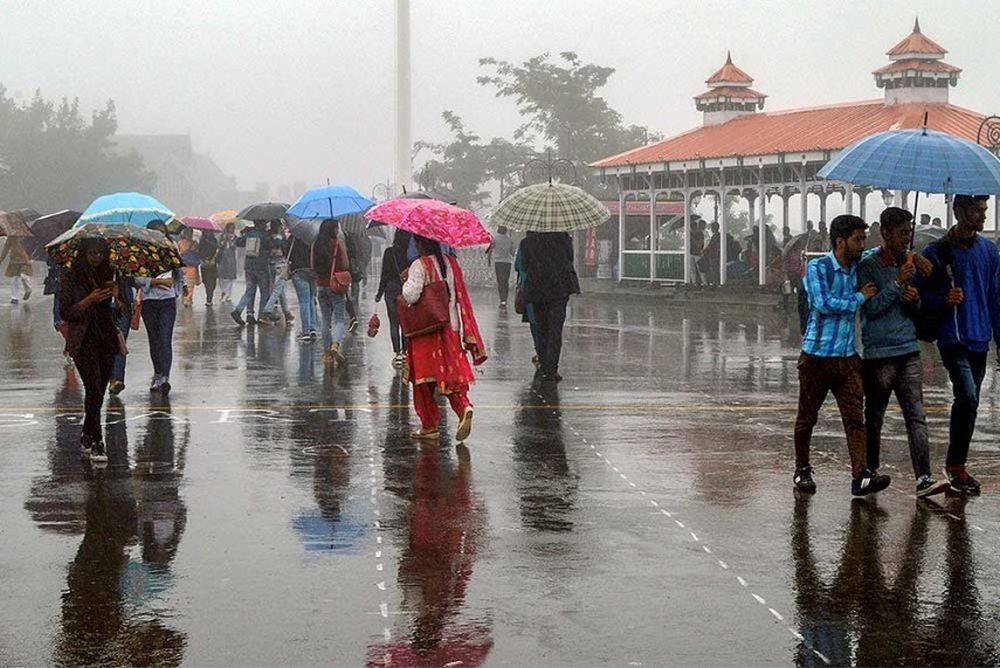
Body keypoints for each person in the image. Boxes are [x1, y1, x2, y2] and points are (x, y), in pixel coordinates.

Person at [792, 214, 890, 497]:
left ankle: (860, 475)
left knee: (854, 418)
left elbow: (876, 252)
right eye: (857, 239)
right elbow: (823, 304)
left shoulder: (859, 265)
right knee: (807, 417)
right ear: (840, 241)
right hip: (816, 356)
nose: (862, 245)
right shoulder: (817, 268)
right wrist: (860, 297)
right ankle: (802, 470)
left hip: (847, 358)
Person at [858, 207, 948, 497]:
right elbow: (870, 308)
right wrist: (897, 283)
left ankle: (924, 477)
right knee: (874, 418)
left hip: (908, 350)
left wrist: (914, 298)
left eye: (909, 232)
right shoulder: (869, 265)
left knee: (916, 416)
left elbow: (914, 308)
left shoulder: (910, 263)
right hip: (879, 353)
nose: (906, 238)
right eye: (902, 233)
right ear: (885, 233)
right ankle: (869, 472)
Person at [920, 194, 1000, 495]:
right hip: (953, 337)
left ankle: (957, 466)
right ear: (958, 211)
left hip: (980, 339)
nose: (982, 215)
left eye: (984, 210)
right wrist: (943, 299)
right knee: (966, 395)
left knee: (972, 402)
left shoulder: (990, 252)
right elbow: (920, 296)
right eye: (977, 210)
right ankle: (955, 464)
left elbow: (996, 298)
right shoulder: (936, 251)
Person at [401, 234, 486, 441]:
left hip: (427, 330)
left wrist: (405, 282)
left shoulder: (419, 265)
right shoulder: (451, 263)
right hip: (451, 327)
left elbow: (411, 296)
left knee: (422, 379)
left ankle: (429, 426)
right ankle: (463, 406)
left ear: (419, 244)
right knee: (449, 375)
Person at [59, 239, 121, 463]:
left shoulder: (109, 274)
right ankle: (97, 440)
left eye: (100, 253)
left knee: (99, 390)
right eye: (92, 253)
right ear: (83, 254)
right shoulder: (70, 276)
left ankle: (86, 432)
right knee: (93, 385)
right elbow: (66, 311)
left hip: (106, 338)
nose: (96, 257)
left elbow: (120, 312)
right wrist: (89, 300)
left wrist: (117, 297)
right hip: (83, 340)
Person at [519, 231, 580, 382]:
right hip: (559, 288)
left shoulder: (527, 242)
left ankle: (544, 365)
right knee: (555, 330)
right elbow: (569, 259)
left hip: (537, 289)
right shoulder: (564, 239)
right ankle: (552, 370)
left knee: (541, 328)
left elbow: (524, 265)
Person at [136, 220, 182, 395]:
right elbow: (135, 278)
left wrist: (177, 288)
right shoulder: (140, 252)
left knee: (165, 339)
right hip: (149, 301)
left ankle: (165, 378)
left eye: (161, 233)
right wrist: (154, 281)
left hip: (167, 301)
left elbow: (179, 270)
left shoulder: (172, 248)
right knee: (154, 340)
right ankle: (157, 373)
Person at [312, 219, 350, 366]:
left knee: (326, 320)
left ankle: (327, 354)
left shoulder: (315, 245)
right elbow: (346, 264)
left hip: (321, 285)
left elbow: (312, 265)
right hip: (336, 285)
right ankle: (335, 344)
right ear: (334, 229)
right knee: (339, 318)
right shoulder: (337, 244)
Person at [375, 229, 411, 367]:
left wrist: (379, 293)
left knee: (394, 322)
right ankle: (406, 351)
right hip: (405, 289)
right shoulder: (409, 254)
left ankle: (398, 354)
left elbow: (384, 275)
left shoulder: (389, 252)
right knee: (406, 323)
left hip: (390, 289)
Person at [231, 220, 273, 327]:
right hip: (261, 266)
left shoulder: (249, 234)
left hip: (249, 266)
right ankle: (262, 315)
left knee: (250, 290)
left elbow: (238, 242)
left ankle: (244, 312)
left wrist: (243, 233)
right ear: (262, 223)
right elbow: (270, 245)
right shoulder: (264, 235)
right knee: (264, 292)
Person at [260, 221, 295, 326]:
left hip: (270, 264)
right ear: (279, 227)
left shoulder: (268, 237)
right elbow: (285, 250)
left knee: (280, 289)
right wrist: (284, 237)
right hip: (280, 265)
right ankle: (266, 311)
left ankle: (287, 313)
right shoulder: (280, 238)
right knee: (277, 289)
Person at [108, 271, 136, 396]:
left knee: (120, 340)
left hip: (123, 306)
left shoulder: (126, 261)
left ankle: (118, 379)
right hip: (103, 305)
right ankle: (111, 378)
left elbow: (135, 280)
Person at [286, 233, 317, 341]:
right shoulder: (313, 236)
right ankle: (313, 328)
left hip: (298, 271)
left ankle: (305, 332)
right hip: (312, 272)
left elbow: (286, 254)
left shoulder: (293, 238)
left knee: (304, 301)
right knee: (311, 299)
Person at [514, 241, 540, 367]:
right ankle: (547, 356)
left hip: (528, 288)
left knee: (534, 321)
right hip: (548, 289)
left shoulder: (525, 244)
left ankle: (539, 351)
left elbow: (518, 266)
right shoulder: (559, 240)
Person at [487, 226, 515, 306]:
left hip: (498, 262)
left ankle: (502, 300)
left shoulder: (495, 239)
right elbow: (512, 253)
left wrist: (489, 261)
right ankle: (505, 299)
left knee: (500, 281)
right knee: (506, 281)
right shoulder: (509, 239)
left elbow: (490, 250)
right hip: (507, 263)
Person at [1, 235, 33, 304]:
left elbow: (32, 248)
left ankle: (28, 289)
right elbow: (5, 248)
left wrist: (31, 258)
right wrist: (1, 259)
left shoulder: (27, 236)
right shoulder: (11, 237)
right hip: (14, 261)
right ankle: (14, 298)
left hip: (25, 261)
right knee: (14, 279)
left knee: (24, 276)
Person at [176, 228, 201, 308]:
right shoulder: (194, 243)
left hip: (186, 267)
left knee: (187, 285)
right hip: (189, 267)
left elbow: (178, 254)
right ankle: (188, 299)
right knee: (188, 285)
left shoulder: (181, 243)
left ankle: (187, 300)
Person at [216, 224, 238, 302]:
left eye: (233, 228)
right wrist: (224, 240)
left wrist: (230, 241)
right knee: (221, 276)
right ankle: (223, 292)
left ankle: (228, 294)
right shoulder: (222, 236)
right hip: (222, 258)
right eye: (231, 227)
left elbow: (234, 247)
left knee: (230, 277)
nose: (232, 229)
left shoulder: (235, 237)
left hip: (231, 258)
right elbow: (219, 245)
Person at [199, 230, 219, 306]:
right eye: (206, 232)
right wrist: (204, 259)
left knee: (212, 283)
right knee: (206, 282)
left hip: (212, 264)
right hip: (204, 264)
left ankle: (209, 298)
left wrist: (211, 259)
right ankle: (209, 298)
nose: (208, 233)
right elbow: (199, 251)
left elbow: (216, 249)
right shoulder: (202, 240)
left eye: (209, 232)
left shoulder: (214, 240)